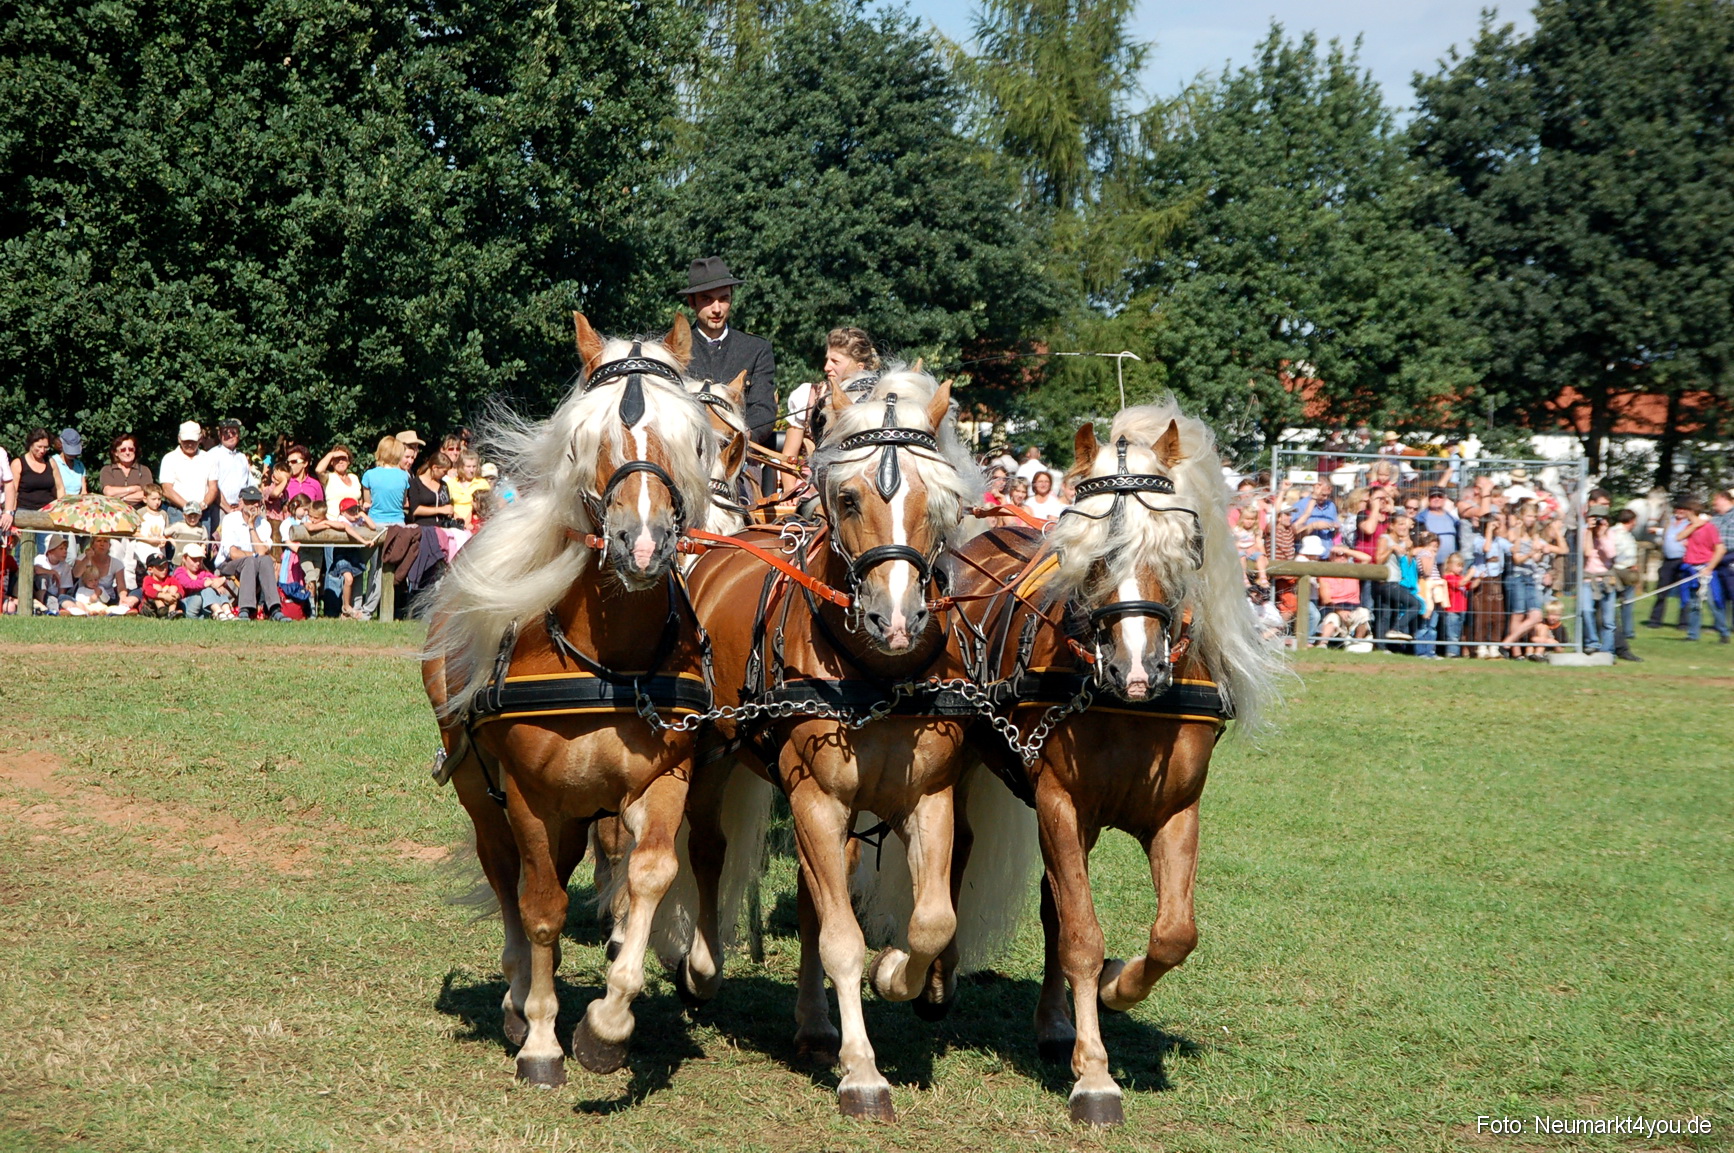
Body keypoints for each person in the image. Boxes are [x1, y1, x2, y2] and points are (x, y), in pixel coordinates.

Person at [677, 257, 776, 459]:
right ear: (691, 302)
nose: (717, 309)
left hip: (739, 458)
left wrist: (744, 436)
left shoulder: (757, 349)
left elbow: (763, 409)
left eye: (723, 299)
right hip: (684, 457)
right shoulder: (673, 349)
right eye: (707, 299)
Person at [783, 327, 879, 464]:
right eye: (828, 360)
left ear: (859, 367)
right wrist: (791, 486)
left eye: (835, 361)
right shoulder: (808, 396)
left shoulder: (876, 403)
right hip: (807, 481)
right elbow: (788, 456)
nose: (826, 367)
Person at [217, 485, 287, 620]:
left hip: (255, 564)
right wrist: (255, 555)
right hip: (228, 565)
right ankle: (245, 609)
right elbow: (233, 554)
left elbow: (262, 552)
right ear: (241, 502)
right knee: (252, 561)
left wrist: (251, 526)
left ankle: (274, 609)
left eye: (256, 501)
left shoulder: (264, 524)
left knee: (265, 560)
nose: (253, 505)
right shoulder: (230, 520)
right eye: (249, 502)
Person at [1679, 496, 1728, 643]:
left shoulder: (1709, 528)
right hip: (1692, 569)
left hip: (1705, 569)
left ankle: (1723, 632)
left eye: (1685, 511)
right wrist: (1695, 526)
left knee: (1713, 603)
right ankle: (1693, 634)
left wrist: (1709, 568)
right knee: (1694, 603)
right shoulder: (1690, 527)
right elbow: (1678, 537)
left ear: (1691, 511)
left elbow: (1720, 549)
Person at [1644, 499, 1692, 628]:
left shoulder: (1690, 524)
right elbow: (1665, 532)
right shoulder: (1668, 522)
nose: (1680, 511)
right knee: (1661, 591)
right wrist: (1656, 530)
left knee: (1684, 592)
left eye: (1683, 509)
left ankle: (1684, 622)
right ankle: (1655, 620)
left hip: (1683, 560)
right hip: (1668, 560)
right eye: (1678, 509)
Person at [159, 421, 219, 525]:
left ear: (200, 439)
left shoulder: (209, 458)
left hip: (203, 513)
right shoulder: (169, 458)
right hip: (177, 513)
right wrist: (188, 508)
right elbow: (166, 489)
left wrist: (203, 505)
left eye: (193, 440)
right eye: (186, 441)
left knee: (202, 541)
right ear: (179, 439)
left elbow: (213, 488)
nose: (190, 444)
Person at [1607, 508, 1642, 661]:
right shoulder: (1616, 533)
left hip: (1627, 570)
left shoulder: (1626, 534)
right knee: (1620, 604)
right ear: (1632, 521)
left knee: (1628, 603)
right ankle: (1623, 633)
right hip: (1619, 571)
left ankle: (1627, 631)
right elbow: (1615, 553)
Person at [70, 537, 137, 615]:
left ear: (109, 545)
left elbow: (121, 587)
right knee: (65, 598)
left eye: (105, 541)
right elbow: (76, 574)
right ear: (92, 544)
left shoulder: (117, 563)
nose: (102, 544)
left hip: (108, 599)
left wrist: (123, 597)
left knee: (137, 591)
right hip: (86, 599)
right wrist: (87, 558)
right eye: (98, 541)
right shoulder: (82, 558)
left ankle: (124, 608)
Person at [170, 544, 235, 619]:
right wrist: (206, 583)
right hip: (187, 605)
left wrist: (220, 584)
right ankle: (219, 611)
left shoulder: (202, 572)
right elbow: (189, 584)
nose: (198, 563)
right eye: (194, 559)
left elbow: (216, 579)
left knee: (218, 590)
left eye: (200, 560)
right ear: (184, 558)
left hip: (201, 608)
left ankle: (227, 612)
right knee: (207, 589)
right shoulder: (179, 571)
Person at [361, 437, 410, 525]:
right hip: (398, 523)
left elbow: (367, 503)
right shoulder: (404, 476)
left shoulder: (369, 475)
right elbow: (403, 502)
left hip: (375, 523)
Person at [209, 418, 252, 517]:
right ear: (219, 435)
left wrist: (243, 504)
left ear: (238, 435)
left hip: (241, 509)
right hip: (219, 509)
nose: (230, 435)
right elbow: (212, 486)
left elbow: (249, 483)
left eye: (233, 432)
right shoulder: (212, 455)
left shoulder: (242, 457)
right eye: (225, 432)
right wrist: (227, 508)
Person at [407, 451, 457, 527]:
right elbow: (415, 510)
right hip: (424, 527)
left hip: (443, 528)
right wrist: (440, 509)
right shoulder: (415, 483)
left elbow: (447, 506)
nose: (446, 474)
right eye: (444, 471)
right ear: (434, 468)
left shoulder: (443, 485)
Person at [446, 450, 491, 530]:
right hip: (454, 524)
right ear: (461, 467)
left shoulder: (482, 484)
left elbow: (486, 507)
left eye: (474, 466)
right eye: (468, 466)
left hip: (476, 524)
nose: (472, 470)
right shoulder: (451, 483)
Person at [315, 444, 363, 515]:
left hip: (354, 522)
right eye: (337, 459)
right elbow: (319, 470)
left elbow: (359, 500)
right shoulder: (329, 477)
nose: (340, 461)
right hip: (334, 520)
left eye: (343, 458)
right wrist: (331, 454)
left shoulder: (354, 478)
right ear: (331, 462)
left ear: (348, 461)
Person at [32, 533, 73, 614]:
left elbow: (62, 589)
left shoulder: (65, 566)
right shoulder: (40, 559)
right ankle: (41, 603)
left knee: (54, 602)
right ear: (50, 551)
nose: (65, 551)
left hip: (53, 596)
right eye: (61, 549)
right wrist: (52, 572)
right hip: (38, 592)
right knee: (43, 578)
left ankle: (52, 609)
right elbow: (35, 569)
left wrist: (59, 600)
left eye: (65, 549)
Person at [1416, 487, 1460, 561]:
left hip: (1449, 565)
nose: (1437, 499)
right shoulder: (1420, 518)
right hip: (1431, 563)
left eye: (1440, 496)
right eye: (1433, 496)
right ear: (1428, 499)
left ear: (1444, 499)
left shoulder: (1452, 518)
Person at [1439, 552, 1469, 658]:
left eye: (1462, 566)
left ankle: (1457, 652)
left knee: (1459, 632)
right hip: (1452, 610)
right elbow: (1460, 584)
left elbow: (1470, 585)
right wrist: (1470, 574)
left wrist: (1478, 577)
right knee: (1452, 634)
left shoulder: (1461, 577)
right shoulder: (1448, 577)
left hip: (1462, 609)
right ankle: (1452, 653)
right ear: (1450, 565)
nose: (1461, 569)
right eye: (1458, 566)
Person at [138, 553, 184, 618]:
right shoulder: (148, 579)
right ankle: (162, 609)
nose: (164, 569)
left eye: (166, 565)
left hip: (168, 603)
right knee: (157, 587)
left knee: (173, 588)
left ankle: (171, 612)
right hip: (150, 608)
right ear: (150, 569)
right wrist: (164, 596)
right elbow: (148, 590)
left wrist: (176, 595)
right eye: (160, 567)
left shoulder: (171, 578)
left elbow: (180, 589)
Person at [52, 429, 87, 495]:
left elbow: (84, 491)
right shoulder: (53, 462)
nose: (72, 454)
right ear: (60, 445)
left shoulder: (79, 465)